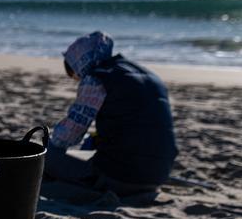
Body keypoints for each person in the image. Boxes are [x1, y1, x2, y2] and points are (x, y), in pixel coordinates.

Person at [44, 31, 177, 196]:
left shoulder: (97, 78)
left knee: (44, 159)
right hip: (159, 174)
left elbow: (71, 131)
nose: (77, 81)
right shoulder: (146, 74)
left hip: (120, 178)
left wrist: (48, 148)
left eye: (75, 76)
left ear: (80, 63)